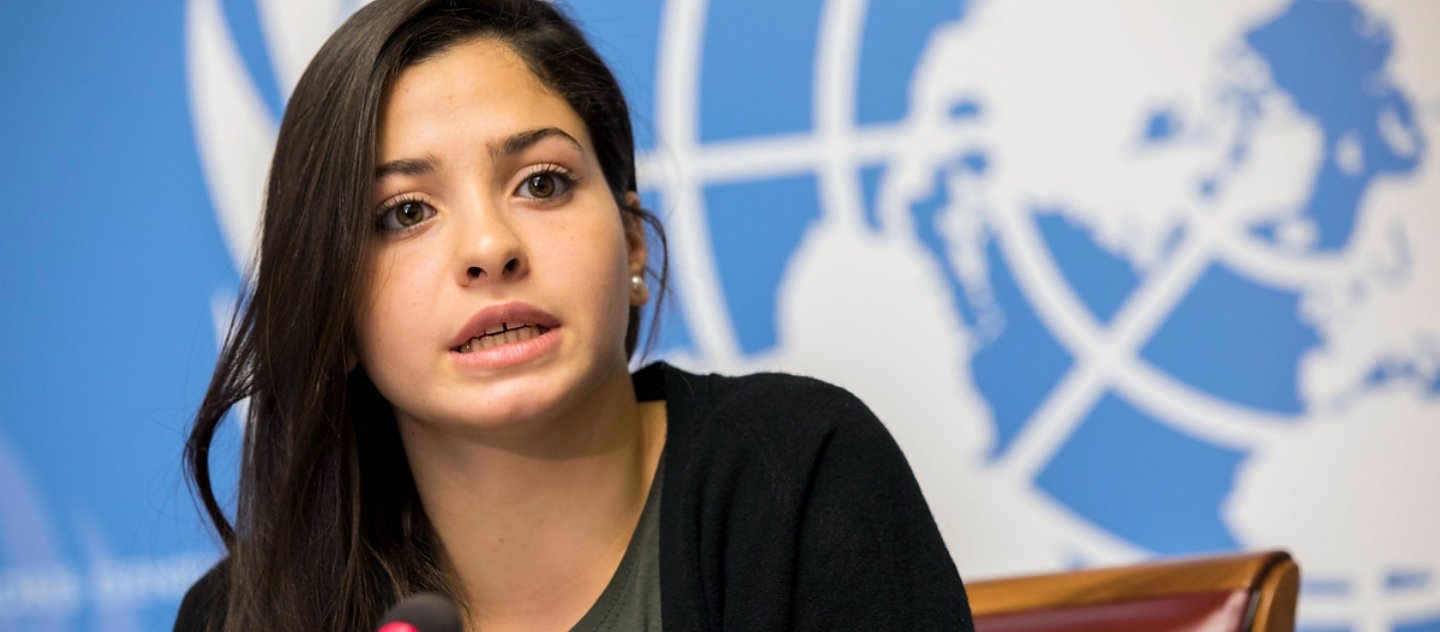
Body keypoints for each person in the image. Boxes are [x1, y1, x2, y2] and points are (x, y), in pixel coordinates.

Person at [175, 0, 973, 630]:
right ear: (334, 310)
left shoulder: (792, 474)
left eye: (543, 183)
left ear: (632, 243)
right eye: (407, 211)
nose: (489, 247)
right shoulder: (243, 616)